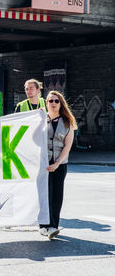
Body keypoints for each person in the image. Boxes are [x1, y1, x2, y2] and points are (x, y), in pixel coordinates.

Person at [40, 91, 77, 240]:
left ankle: (53, 226)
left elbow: (67, 146)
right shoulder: (40, 120)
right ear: (46, 103)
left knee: (57, 195)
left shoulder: (68, 122)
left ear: (61, 104)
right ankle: (44, 226)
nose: (54, 103)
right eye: (51, 101)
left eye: (57, 101)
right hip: (43, 164)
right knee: (45, 195)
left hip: (59, 164)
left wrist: (57, 163)